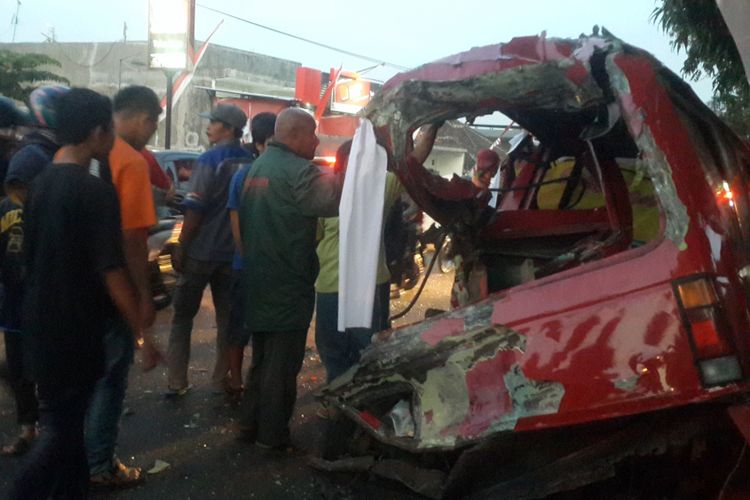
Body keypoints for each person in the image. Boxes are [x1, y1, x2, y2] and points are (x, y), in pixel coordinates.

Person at [9, 87, 143, 500]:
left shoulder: (40, 183)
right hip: (76, 331)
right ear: (98, 131)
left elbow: (29, 259)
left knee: (64, 428)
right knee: (62, 435)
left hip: (39, 323)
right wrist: (141, 327)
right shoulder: (95, 191)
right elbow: (111, 270)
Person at [237, 108, 344, 450]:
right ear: (296, 134)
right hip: (287, 282)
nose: (316, 141)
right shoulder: (298, 171)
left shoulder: (258, 166)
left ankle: (248, 425)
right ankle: (272, 437)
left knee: (262, 360)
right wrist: (353, 167)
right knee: (281, 368)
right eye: (313, 134)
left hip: (258, 278)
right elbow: (333, 201)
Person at [314, 126, 438, 397]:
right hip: (330, 286)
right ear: (339, 167)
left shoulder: (378, 190)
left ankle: (366, 400)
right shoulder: (325, 194)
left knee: (369, 347)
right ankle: (338, 396)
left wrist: (432, 126)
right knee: (332, 347)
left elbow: (414, 159)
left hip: (369, 286)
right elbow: (316, 239)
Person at [85, 85, 163, 487]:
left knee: (79, 376)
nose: (150, 135)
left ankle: (76, 457)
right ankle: (99, 465)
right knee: (110, 376)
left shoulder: (74, 154)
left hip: (72, 285)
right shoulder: (130, 161)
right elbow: (134, 239)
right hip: (111, 285)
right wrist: (143, 298)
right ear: (144, 118)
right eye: (153, 126)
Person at [0, 85, 69, 456]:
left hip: (40, 283)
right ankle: (30, 427)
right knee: (21, 362)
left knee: (43, 364)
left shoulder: (49, 154)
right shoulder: (33, 155)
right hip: (18, 283)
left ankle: (48, 429)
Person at [167, 103, 251, 396]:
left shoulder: (209, 159)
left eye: (213, 123)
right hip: (233, 255)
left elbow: (195, 209)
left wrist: (181, 245)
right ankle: (221, 378)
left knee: (181, 317)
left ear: (228, 128)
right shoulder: (251, 161)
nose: (208, 127)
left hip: (201, 252)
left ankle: (177, 381)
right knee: (227, 320)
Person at [226, 111, 276, 401]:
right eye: (270, 143)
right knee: (239, 326)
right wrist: (247, 258)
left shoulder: (259, 174)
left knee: (261, 329)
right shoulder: (244, 175)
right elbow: (236, 225)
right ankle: (235, 379)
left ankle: (256, 378)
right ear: (258, 144)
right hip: (248, 267)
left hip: (264, 266)